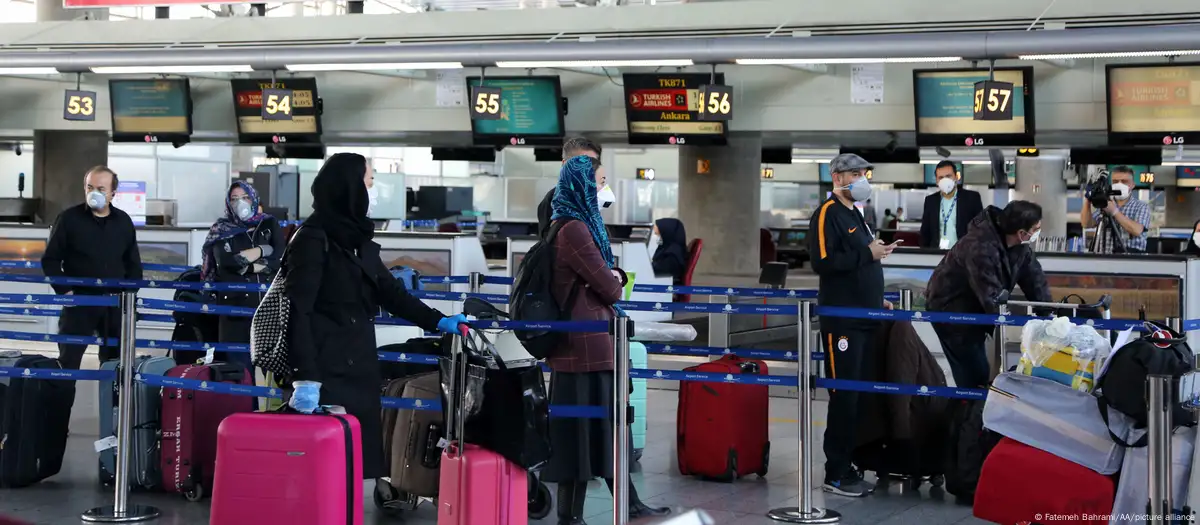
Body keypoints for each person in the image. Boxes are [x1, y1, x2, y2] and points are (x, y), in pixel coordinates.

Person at [282, 152, 468, 493]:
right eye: (369, 182)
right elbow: (297, 310)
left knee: (351, 465)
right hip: (324, 371)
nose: (372, 190)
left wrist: (440, 321)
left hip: (358, 365)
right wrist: (304, 378)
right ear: (350, 188)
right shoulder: (312, 239)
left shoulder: (357, 241)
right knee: (322, 469)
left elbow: (391, 293)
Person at [542, 155, 670, 525]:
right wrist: (614, 275)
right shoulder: (573, 230)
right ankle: (570, 514)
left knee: (603, 430)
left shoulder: (569, 224)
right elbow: (612, 288)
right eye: (599, 181)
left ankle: (626, 503)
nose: (604, 189)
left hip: (590, 347)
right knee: (582, 435)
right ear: (582, 184)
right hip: (584, 348)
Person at [809, 153, 897, 498]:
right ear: (837, 177)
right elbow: (824, 262)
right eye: (855, 174)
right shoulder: (828, 213)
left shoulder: (856, 215)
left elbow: (861, 263)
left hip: (865, 316)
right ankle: (836, 473)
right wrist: (869, 254)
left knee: (858, 395)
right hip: (842, 320)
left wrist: (877, 299)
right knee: (844, 395)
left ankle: (851, 462)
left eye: (864, 173)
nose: (862, 179)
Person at [925, 200, 1051, 389]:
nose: (1039, 232)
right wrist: (1013, 323)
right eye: (1037, 228)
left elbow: (1035, 280)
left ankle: (974, 410)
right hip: (950, 312)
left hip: (975, 310)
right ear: (1022, 233)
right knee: (974, 374)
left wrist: (1049, 315)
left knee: (980, 371)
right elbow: (991, 295)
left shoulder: (1020, 247)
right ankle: (968, 414)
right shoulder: (979, 246)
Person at [42, 166, 142, 371]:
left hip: (115, 305)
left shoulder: (123, 221)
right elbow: (50, 260)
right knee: (67, 366)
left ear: (113, 194)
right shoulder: (68, 219)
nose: (93, 193)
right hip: (79, 304)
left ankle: (113, 404)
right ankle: (61, 403)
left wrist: (128, 297)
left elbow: (133, 264)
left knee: (116, 367)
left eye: (100, 188)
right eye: (89, 187)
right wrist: (65, 291)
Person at [201, 180, 285, 373]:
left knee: (272, 370)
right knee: (239, 372)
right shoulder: (220, 230)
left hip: (268, 307)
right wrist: (263, 250)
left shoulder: (268, 223)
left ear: (254, 199)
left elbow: (280, 258)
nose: (241, 203)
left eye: (245, 197)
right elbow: (226, 265)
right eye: (234, 199)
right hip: (234, 309)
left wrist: (250, 259)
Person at [1081, 166, 1150, 254]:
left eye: (1124, 181)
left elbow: (1137, 230)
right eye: (1115, 181)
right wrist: (1088, 200)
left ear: (1132, 185)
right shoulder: (1106, 205)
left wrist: (1114, 212)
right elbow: (1086, 224)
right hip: (1106, 260)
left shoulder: (1141, 206)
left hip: (1132, 260)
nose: (1119, 184)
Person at [919, 160, 984, 250]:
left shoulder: (972, 198)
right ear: (936, 181)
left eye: (948, 176)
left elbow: (980, 229)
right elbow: (925, 232)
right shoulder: (930, 201)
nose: (944, 180)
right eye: (941, 177)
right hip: (937, 254)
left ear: (956, 177)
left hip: (964, 254)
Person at [649, 218, 688, 284]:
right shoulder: (671, 249)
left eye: (659, 234)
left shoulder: (672, 255)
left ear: (667, 233)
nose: (658, 237)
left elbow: (658, 271)